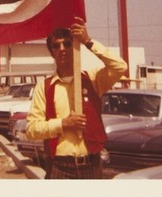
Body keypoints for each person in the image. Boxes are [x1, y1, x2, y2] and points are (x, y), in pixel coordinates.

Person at [26, 17, 127, 179]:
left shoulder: (93, 79)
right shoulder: (43, 88)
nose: (62, 49)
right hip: (60, 167)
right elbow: (31, 130)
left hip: (92, 165)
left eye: (67, 43)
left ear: (74, 47)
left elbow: (120, 66)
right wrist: (63, 123)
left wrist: (87, 41)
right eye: (56, 45)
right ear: (52, 52)